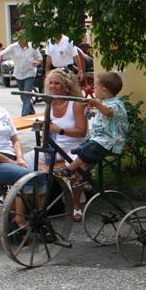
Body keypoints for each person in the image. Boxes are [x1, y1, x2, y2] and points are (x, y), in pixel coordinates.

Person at [23, 69, 88, 221]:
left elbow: (82, 132)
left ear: (66, 86)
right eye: (50, 83)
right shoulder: (49, 104)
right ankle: (35, 204)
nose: (53, 86)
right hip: (54, 147)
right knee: (24, 161)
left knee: (76, 168)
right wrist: (45, 137)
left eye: (57, 83)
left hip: (74, 146)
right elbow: (47, 130)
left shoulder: (75, 104)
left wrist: (59, 130)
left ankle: (76, 205)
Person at [55, 71, 128, 184]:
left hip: (111, 141)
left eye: (95, 87)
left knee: (90, 148)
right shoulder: (105, 102)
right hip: (101, 139)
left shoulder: (115, 104)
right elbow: (104, 115)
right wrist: (92, 111)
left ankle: (69, 170)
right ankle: (85, 175)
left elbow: (109, 113)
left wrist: (96, 104)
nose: (93, 90)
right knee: (88, 149)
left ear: (104, 90)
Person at [0, 35, 42, 116]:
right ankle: (32, 112)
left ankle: (24, 115)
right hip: (18, 73)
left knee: (26, 94)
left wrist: (37, 62)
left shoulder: (33, 47)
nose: (26, 40)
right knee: (23, 96)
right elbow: (3, 53)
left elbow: (39, 58)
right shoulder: (13, 47)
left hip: (30, 73)